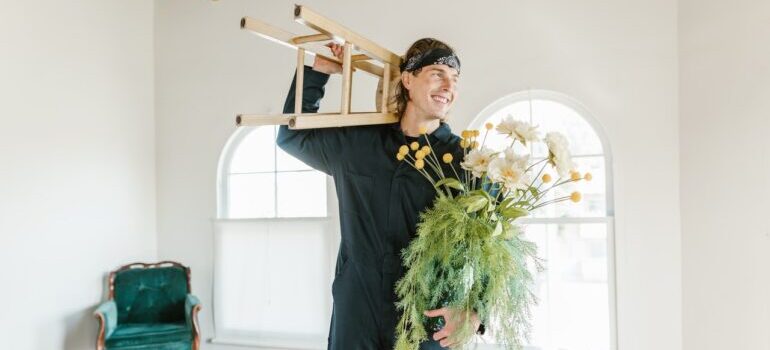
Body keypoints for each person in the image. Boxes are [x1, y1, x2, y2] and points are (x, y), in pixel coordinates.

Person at [277, 38, 483, 349]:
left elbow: (494, 243)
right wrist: (318, 72)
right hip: (356, 314)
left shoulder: (467, 161)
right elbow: (291, 137)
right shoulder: (358, 145)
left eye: (454, 79)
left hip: (425, 319)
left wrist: (476, 310)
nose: (448, 85)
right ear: (408, 78)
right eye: (437, 72)